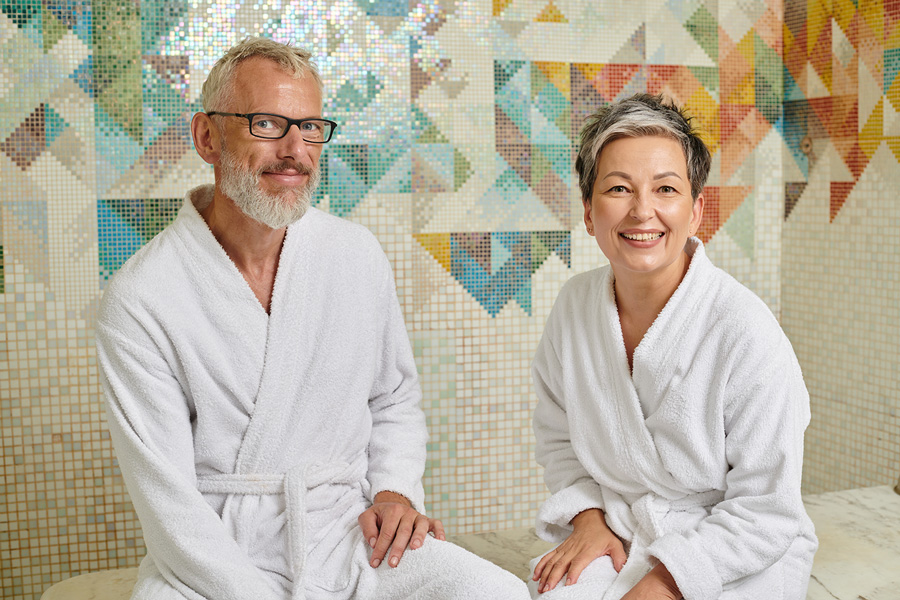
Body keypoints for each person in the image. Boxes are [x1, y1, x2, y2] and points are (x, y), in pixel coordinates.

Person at [95, 37, 528, 600]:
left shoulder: (355, 255)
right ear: (206, 136)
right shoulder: (142, 296)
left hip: (347, 538)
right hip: (212, 558)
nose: (295, 149)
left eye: (310, 127)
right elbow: (168, 502)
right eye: (267, 124)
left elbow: (392, 399)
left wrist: (395, 493)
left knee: (494, 592)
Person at [528, 94, 817, 600]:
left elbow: (767, 508)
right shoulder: (574, 308)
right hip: (621, 526)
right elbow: (558, 440)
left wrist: (665, 582)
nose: (643, 211)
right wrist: (588, 518)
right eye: (618, 188)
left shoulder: (745, 330)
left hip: (735, 546)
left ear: (696, 209)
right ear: (589, 212)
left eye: (665, 188)